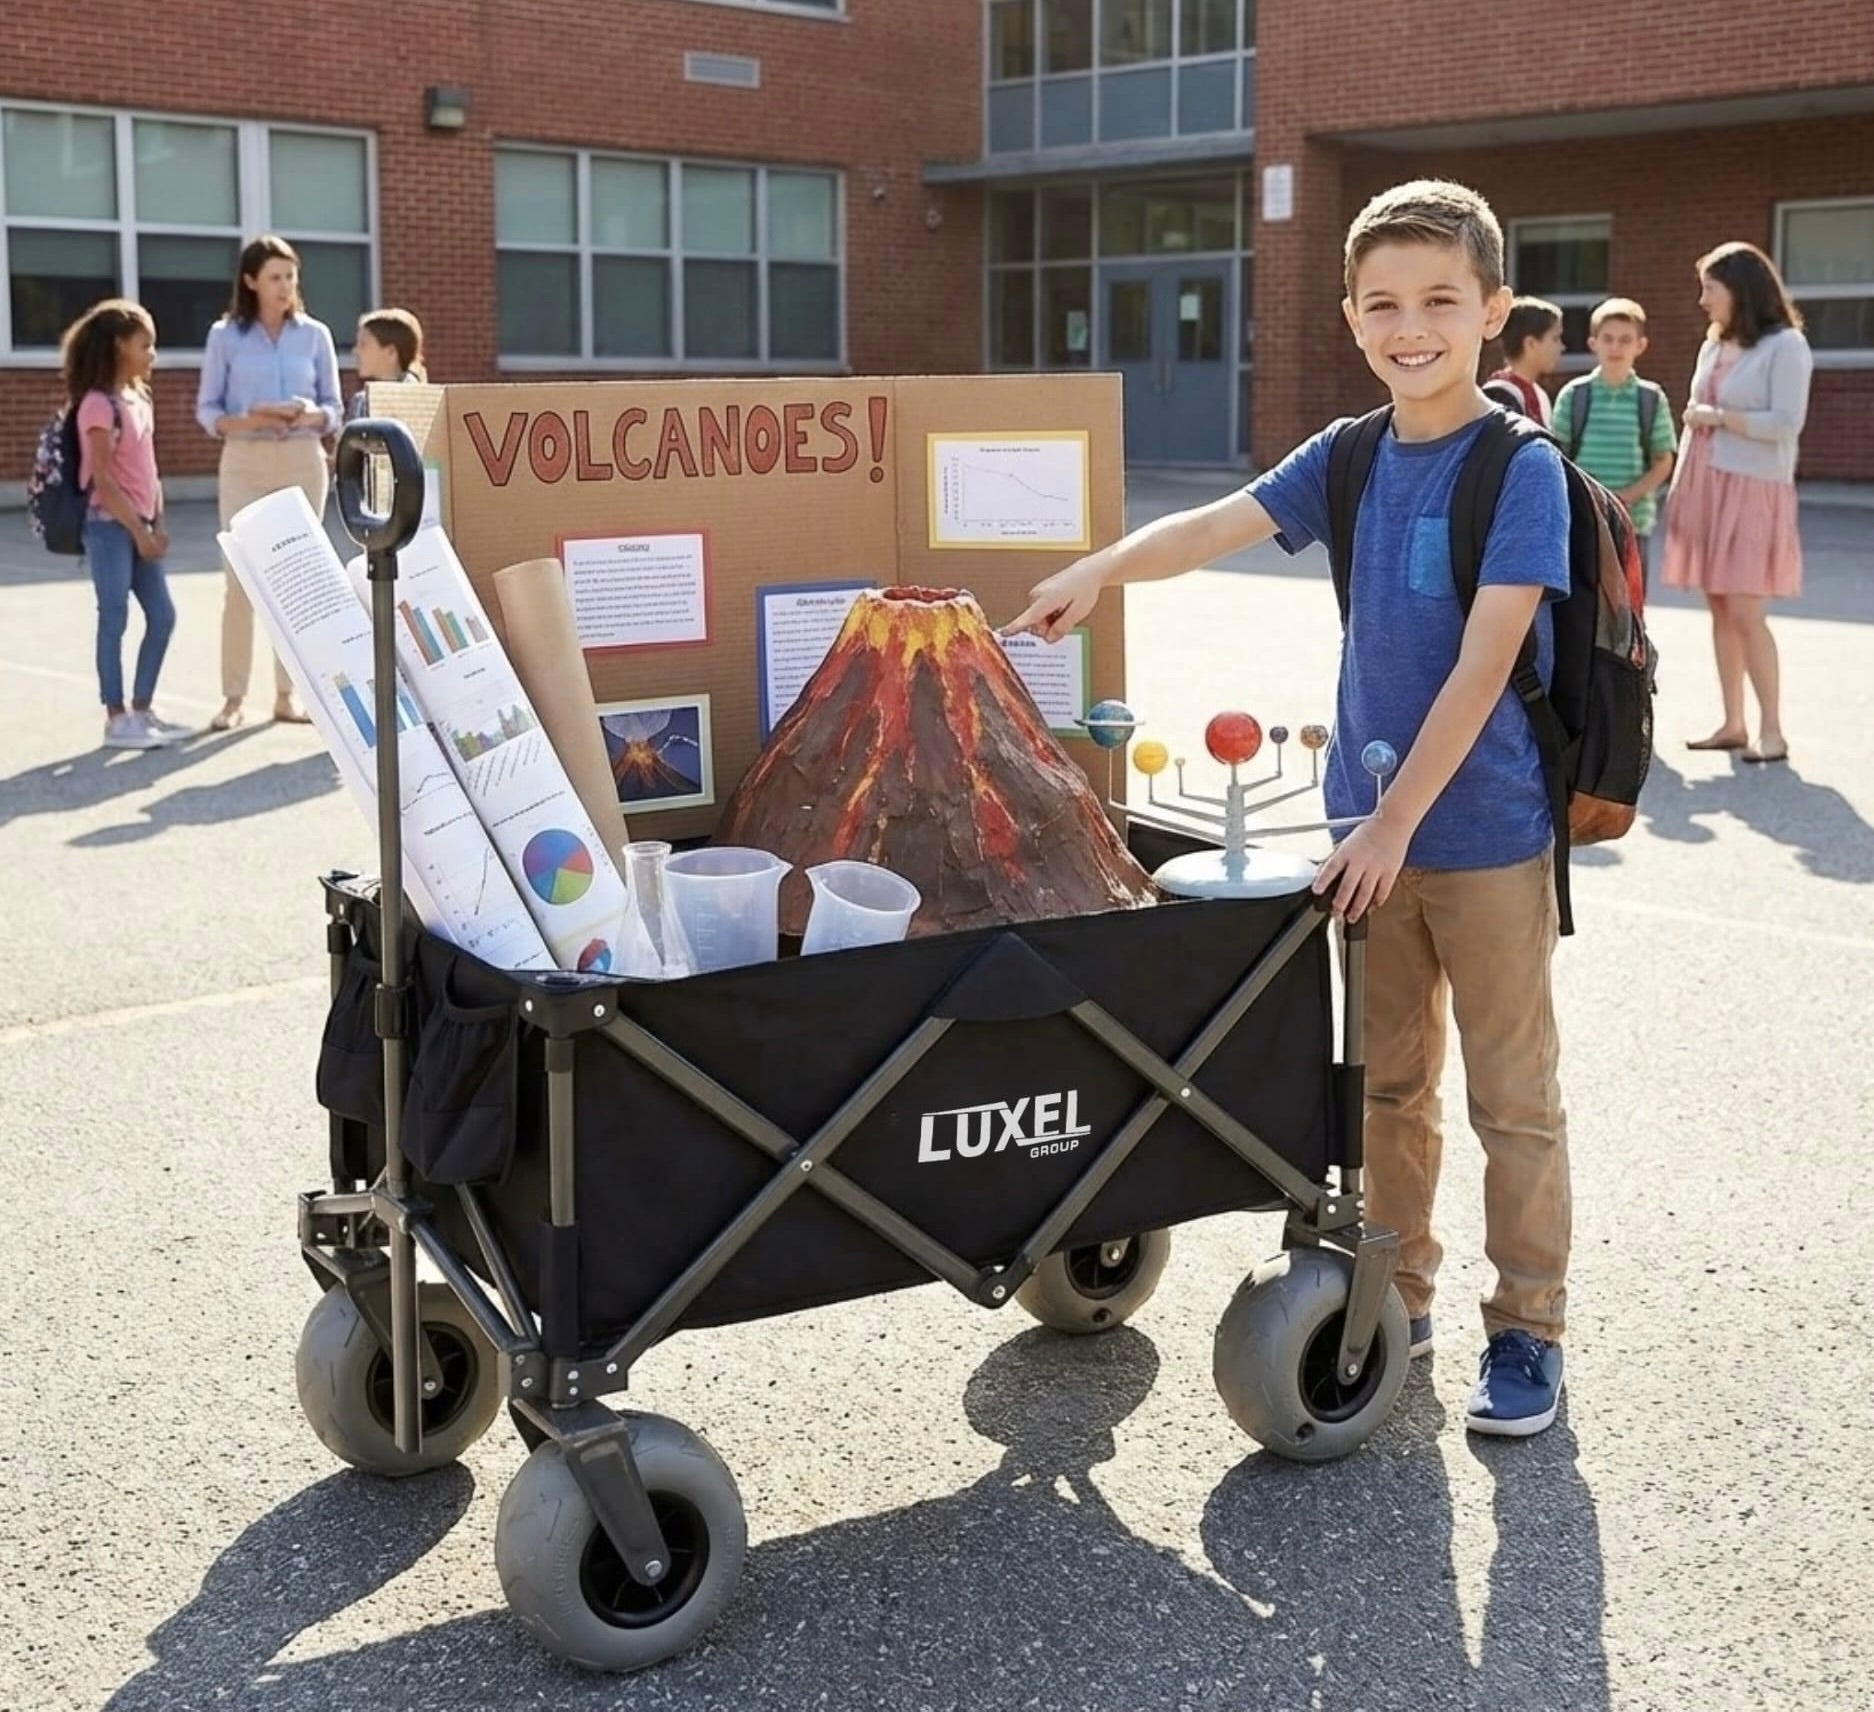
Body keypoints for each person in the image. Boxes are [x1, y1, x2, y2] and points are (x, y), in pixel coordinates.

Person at [1006, 179, 1574, 1439]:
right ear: (1349, 316)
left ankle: (1527, 1328)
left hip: (1475, 839)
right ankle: (1398, 1292)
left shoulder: (1516, 470)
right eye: (1382, 303)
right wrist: (1097, 570)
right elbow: (1213, 522)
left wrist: (1387, 826)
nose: (1407, 325)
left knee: (1509, 1098)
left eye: (1437, 299)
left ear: (1488, 309)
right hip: (1365, 841)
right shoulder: (1353, 453)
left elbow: (1485, 669)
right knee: (1381, 1090)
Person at [1662, 243, 1813, 764]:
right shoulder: (1714, 344)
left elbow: (1786, 423)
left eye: (1710, 287)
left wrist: (1720, 417)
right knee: (1720, 609)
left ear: (1740, 290)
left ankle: (1773, 731)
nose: (1702, 299)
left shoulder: (1787, 346)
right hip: (1706, 483)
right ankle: (1734, 723)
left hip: (1752, 488)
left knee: (1748, 612)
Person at [196, 235, 343, 731]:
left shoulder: (315, 335)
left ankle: (288, 695)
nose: (286, 286)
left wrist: (309, 415)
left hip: (303, 461)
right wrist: (249, 419)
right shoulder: (224, 337)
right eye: (275, 277)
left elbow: (335, 408)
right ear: (251, 281)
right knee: (238, 583)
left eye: (291, 276)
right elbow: (207, 410)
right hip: (244, 463)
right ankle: (233, 697)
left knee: (295, 583)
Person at [62, 299, 185, 750]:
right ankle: (115, 718)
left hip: (142, 524)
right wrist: (138, 532)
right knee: (113, 615)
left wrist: (158, 525)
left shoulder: (139, 397)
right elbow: (103, 479)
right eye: (145, 344)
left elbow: (148, 470)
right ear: (119, 346)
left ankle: (142, 708)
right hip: (109, 526)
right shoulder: (98, 405)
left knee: (163, 616)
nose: (153, 353)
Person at [1553, 298, 1676, 572]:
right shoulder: (1574, 395)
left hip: (1633, 522)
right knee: (1581, 607)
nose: (1615, 347)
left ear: (1640, 346)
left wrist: (1627, 496)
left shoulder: (1650, 398)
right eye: (1607, 339)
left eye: (1625, 340)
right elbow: (1557, 456)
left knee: (1630, 608)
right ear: (1593, 343)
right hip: (1582, 519)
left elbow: (1663, 461)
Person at [1482, 296, 1564, 425]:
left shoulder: (1539, 394)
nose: (1561, 347)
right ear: (1530, 343)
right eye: (1555, 338)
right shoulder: (1500, 394)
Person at [346, 307, 428, 421]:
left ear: (391, 352)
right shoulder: (361, 403)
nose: (355, 351)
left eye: (363, 344)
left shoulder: (420, 401)